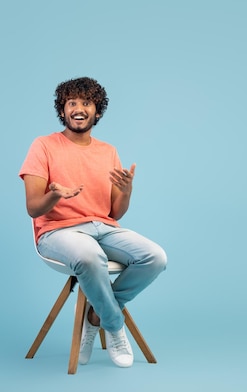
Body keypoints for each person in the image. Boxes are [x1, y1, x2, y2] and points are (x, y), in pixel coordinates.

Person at [18, 77, 167, 368]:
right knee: (89, 256)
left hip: (103, 227)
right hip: (57, 231)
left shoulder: (108, 151)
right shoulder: (44, 146)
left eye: (86, 102)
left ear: (96, 111)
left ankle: (96, 316)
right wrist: (54, 195)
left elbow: (115, 213)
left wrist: (127, 191)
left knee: (155, 258)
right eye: (71, 102)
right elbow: (34, 209)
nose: (78, 108)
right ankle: (114, 325)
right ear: (62, 110)